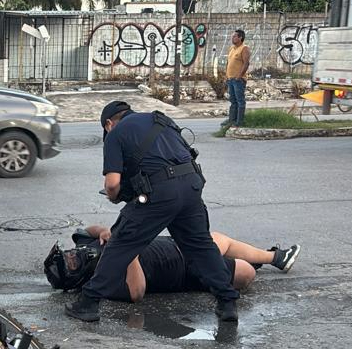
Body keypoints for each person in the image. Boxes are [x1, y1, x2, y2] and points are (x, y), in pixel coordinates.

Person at [65, 101, 239, 324]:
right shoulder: (162, 120)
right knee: (201, 245)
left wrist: (114, 195)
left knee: (121, 242)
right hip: (191, 185)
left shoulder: (116, 133)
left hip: (159, 192)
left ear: (109, 123)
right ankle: (227, 303)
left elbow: (112, 183)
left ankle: (88, 303)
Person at [81, 225, 300, 302]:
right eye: (72, 262)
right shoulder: (102, 282)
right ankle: (261, 260)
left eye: (69, 254)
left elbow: (87, 230)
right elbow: (136, 292)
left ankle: (275, 258)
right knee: (246, 273)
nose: (73, 256)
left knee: (217, 239)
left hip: (174, 245)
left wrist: (103, 231)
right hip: (183, 271)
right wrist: (128, 251)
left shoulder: (86, 246)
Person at [226, 30, 251, 127]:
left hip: (238, 80)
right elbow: (229, 63)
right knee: (233, 101)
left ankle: (239, 122)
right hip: (230, 79)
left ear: (240, 38)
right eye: (232, 36)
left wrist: (239, 76)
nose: (232, 38)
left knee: (240, 101)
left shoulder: (244, 49)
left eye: (234, 36)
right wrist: (227, 75)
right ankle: (231, 120)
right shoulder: (232, 49)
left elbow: (246, 64)